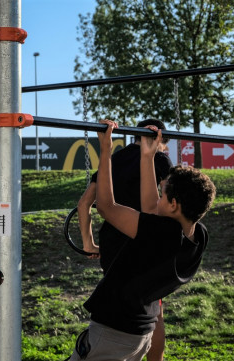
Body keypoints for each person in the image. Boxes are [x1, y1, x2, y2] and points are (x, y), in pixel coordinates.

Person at [68, 120, 216, 361]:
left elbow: (105, 207)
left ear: (174, 205)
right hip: (141, 332)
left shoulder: (159, 233)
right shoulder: (197, 235)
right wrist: (147, 158)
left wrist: (106, 150)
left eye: (163, 191)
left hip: (114, 331)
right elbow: (149, 207)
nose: (159, 194)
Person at [77, 119, 172, 360]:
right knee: (152, 309)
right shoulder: (159, 159)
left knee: (119, 302)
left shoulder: (114, 159)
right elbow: (164, 203)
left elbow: (84, 204)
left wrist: (88, 243)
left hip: (111, 243)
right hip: (141, 239)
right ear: (160, 141)